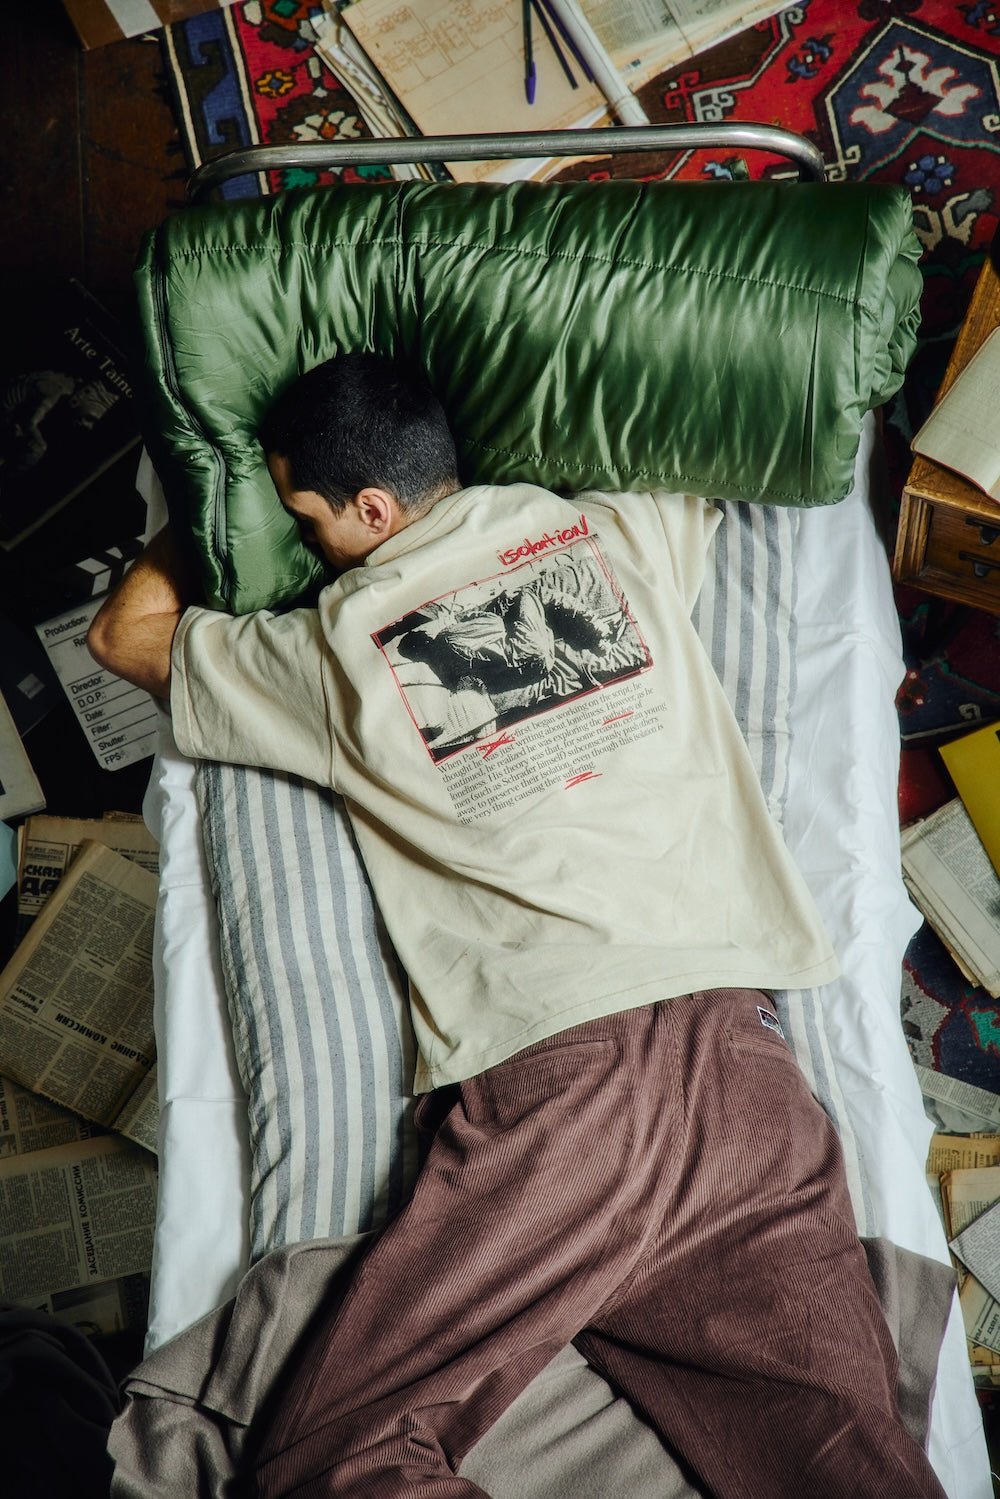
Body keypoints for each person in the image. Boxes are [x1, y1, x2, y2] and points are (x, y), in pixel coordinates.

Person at [88, 353, 947, 1499]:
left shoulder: (341, 649)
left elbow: (126, 636)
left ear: (373, 509)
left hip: (564, 1099)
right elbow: (690, 402)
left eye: (307, 516)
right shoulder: (614, 535)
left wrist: (209, 505)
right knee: (851, 1462)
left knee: (330, 1457)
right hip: (747, 1082)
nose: (306, 541)